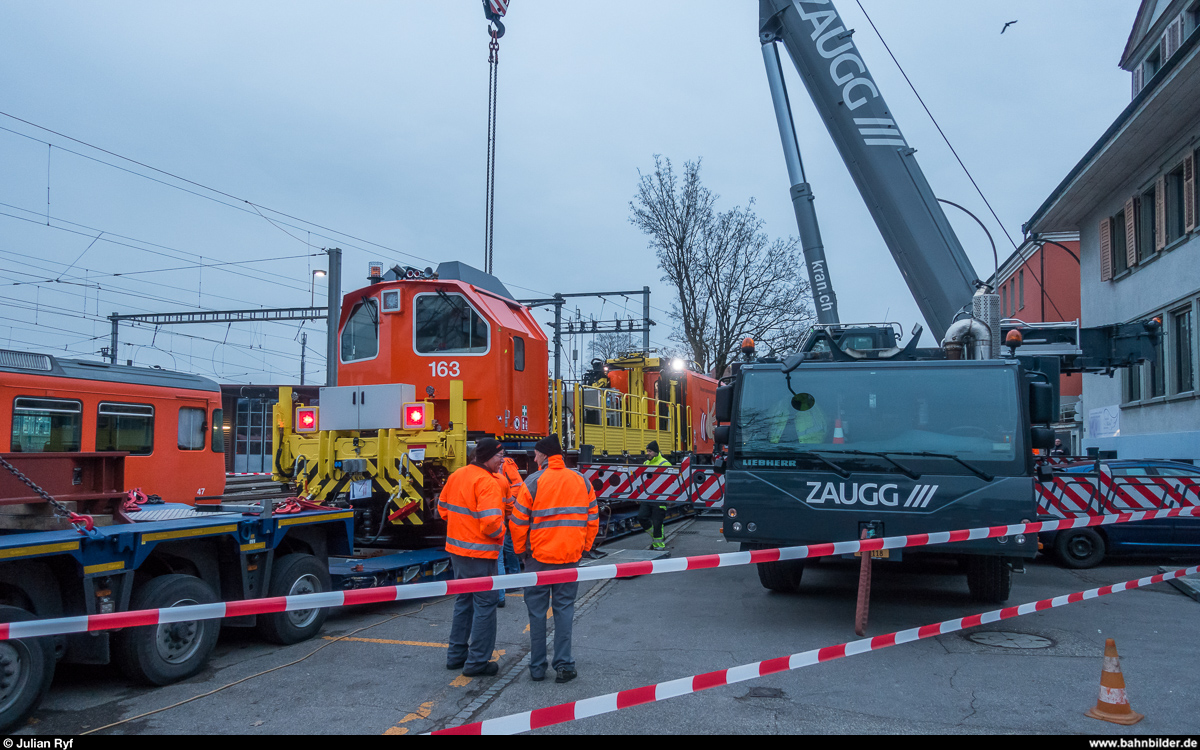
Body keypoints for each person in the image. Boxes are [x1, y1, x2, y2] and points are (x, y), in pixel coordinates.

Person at [509, 434, 598, 683]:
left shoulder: (533, 482)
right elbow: (593, 518)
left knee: (537, 612)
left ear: (545, 455)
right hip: (570, 557)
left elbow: (517, 523)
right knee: (564, 609)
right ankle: (564, 665)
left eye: (536, 454)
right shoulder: (581, 480)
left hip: (537, 558)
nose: (534, 458)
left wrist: (520, 552)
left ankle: (537, 668)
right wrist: (584, 547)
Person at [439, 438, 507, 677]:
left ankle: (456, 656)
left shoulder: (457, 475)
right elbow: (490, 523)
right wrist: (502, 534)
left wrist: (462, 527)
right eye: (500, 456)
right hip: (480, 554)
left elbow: (442, 509)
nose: (502, 460)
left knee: (463, 602)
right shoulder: (487, 482)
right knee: (485, 605)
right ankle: (477, 662)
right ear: (488, 457)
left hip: (458, 551)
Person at [495, 456, 524, 607]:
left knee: (508, 546)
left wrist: (508, 499)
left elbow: (518, 484)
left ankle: (514, 578)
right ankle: (513, 579)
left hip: (509, 509)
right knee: (507, 546)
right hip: (504, 510)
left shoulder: (507, 464)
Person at [637, 441, 671, 552]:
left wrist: (670, 498)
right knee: (642, 517)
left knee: (657, 522)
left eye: (650, 451)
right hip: (647, 497)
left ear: (656, 452)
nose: (648, 453)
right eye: (647, 451)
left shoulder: (665, 464)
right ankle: (657, 537)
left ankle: (659, 546)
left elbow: (671, 482)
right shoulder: (646, 463)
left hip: (660, 498)